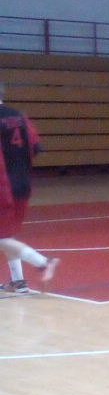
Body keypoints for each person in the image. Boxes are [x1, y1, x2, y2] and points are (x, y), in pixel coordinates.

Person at [0, 83, 58, 293]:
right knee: (7, 236)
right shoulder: (21, 117)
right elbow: (36, 148)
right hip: (23, 183)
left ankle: (44, 262)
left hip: (3, 186)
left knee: (3, 238)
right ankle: (19, 282)